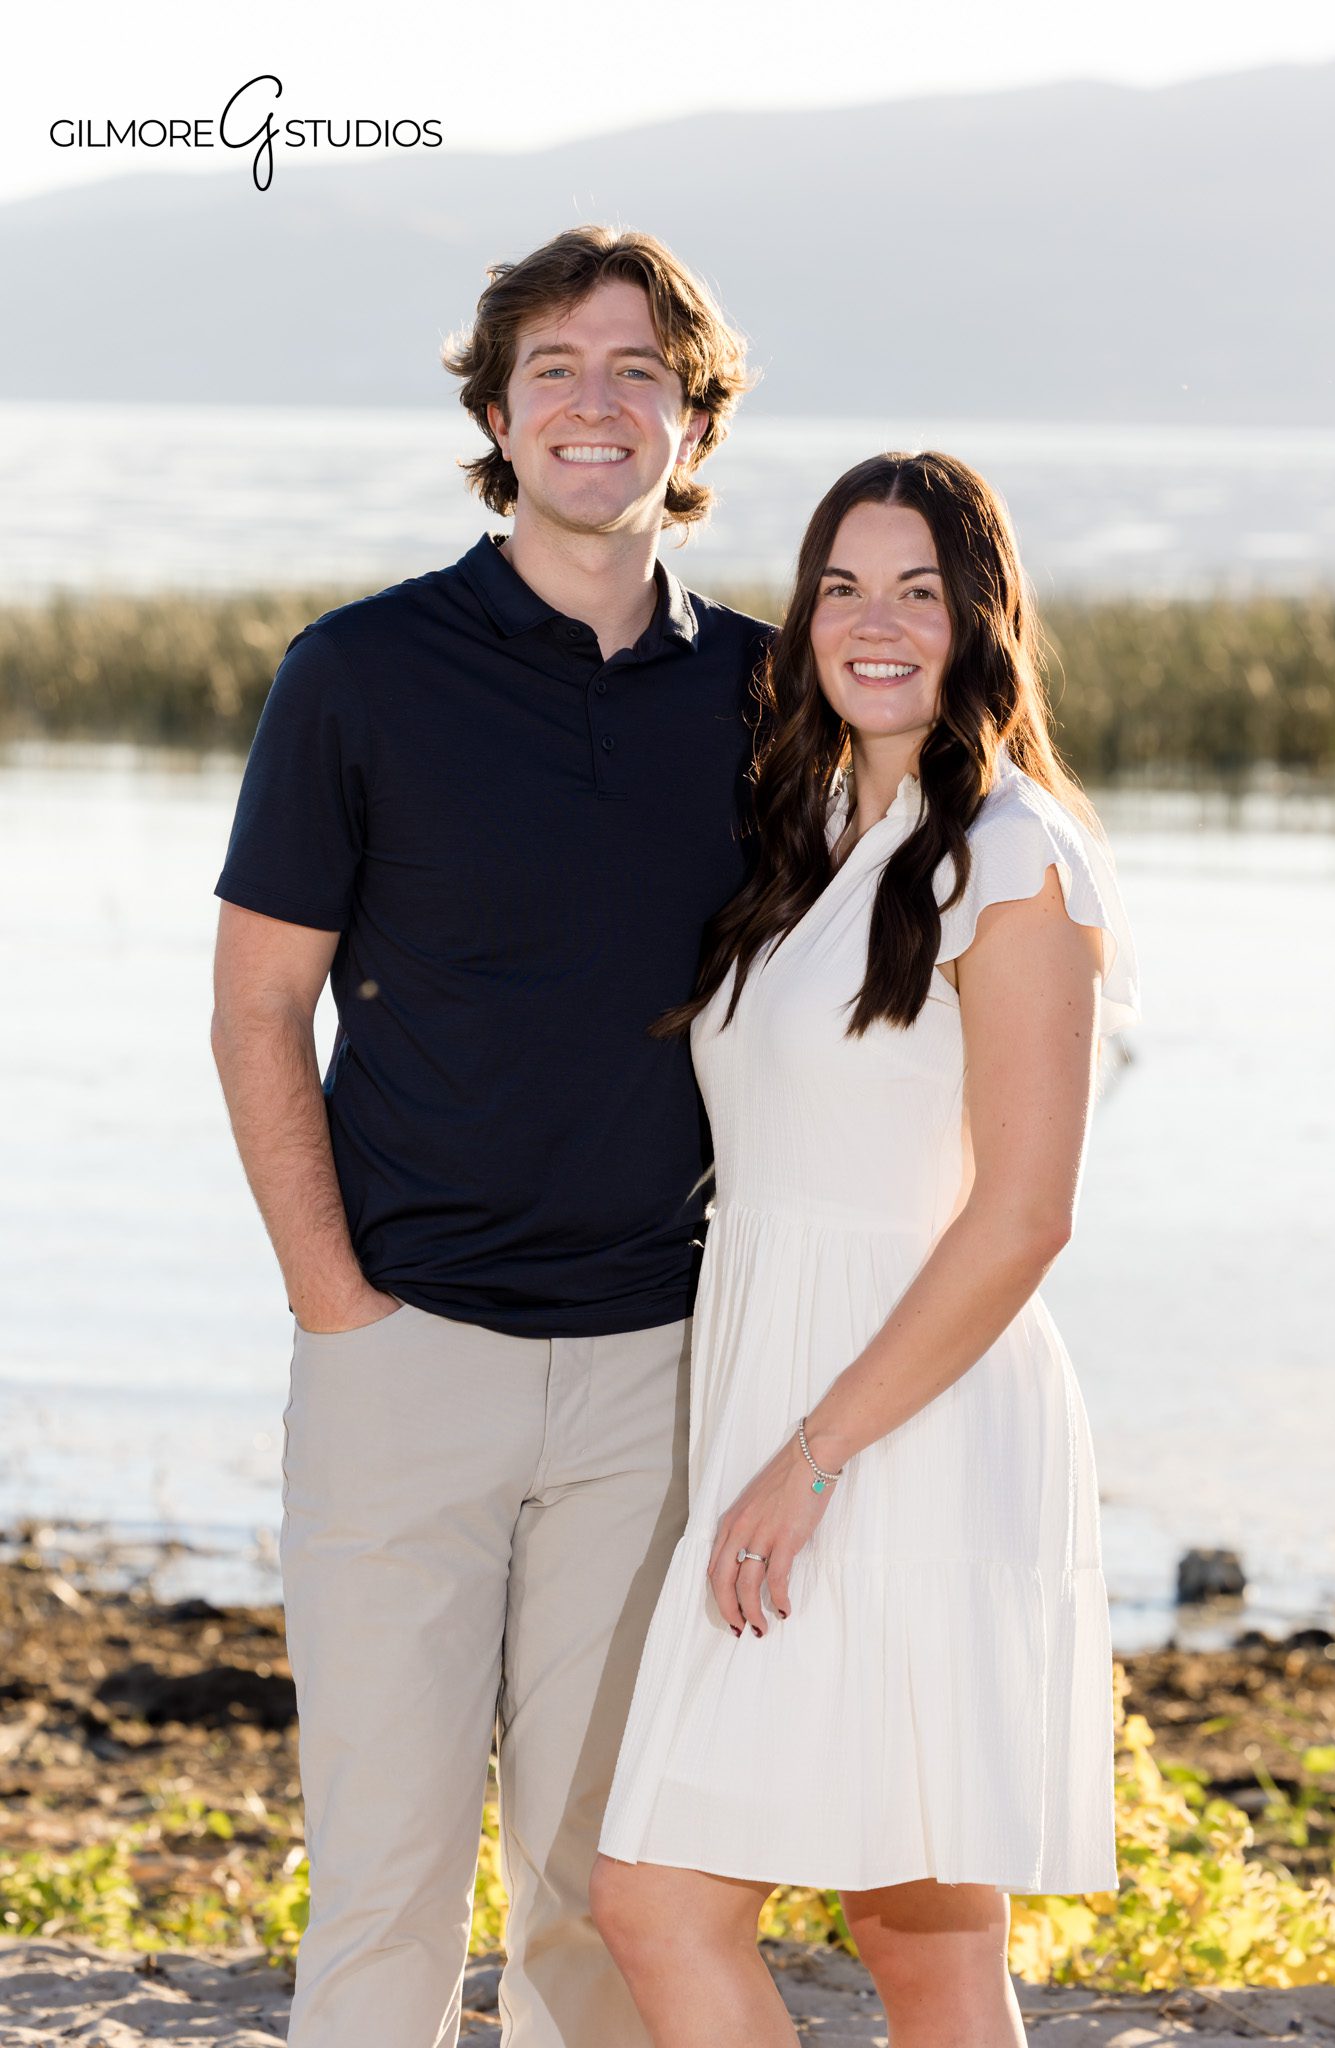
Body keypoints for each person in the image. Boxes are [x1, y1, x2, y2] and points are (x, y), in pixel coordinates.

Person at [210, 224, 769, 2048]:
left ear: (692, 420)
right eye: (555, 370)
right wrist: (330, 1303)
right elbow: (254, 1004)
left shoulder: (768, 701)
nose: (596, 406)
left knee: (594, 1898)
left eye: (638, 374)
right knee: (378, 1881)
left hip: (654, 1370)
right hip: (404, 1352)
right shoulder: (360, 672)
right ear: (496, 411)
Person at [591, 451, 1139, 2048]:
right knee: (922, 1942)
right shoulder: (812, 830)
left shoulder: (1013, 857)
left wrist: (808, 1456)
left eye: (919, 588)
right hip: (786, 1397)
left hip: (904, 1426)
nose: (874, 622)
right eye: (841, 586)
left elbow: (1026, 1212)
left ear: (982, 618)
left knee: (671, 1900)